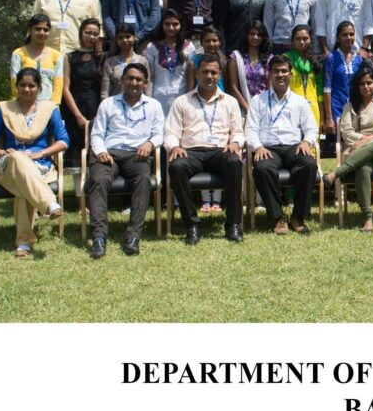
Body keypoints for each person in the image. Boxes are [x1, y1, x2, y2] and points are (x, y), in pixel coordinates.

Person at [0, 67, 70, 257]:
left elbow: (64, 141)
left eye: (32, 85)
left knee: (23, 186)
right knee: (17, 157)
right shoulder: (4, 109)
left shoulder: (48, 109)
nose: (27, 89)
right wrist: (2, 152)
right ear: (17, 86)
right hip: (8, 164)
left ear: (39, 87)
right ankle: (49, 203)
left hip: (40, 165)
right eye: (22, 85)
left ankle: (24, 244)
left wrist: (41, 153)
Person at [164, 54, 246, 245]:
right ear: (197, 74)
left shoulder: (230, 102)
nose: (209, 76)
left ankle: (233, 224)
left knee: (234, 162)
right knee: (176, 167)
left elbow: (238, 132)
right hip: (190, 151)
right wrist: (174, 146)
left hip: (220, 151)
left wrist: (235, 143)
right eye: (205, 72)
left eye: (213, 72)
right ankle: (192, 224)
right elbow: (170, 132)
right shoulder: (182, 101)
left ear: (220, 75)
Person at [85, 63, 164, 257]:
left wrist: (150, 144)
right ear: (122, 80)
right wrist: (101, 151)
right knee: (98, 180)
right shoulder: (108, 104)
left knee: (143, 180)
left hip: (137, 154)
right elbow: (97, 134)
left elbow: (159, 134)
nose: (134, 83)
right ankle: (99, 237)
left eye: (138, 79)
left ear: (145, 84)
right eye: (130, 78)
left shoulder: (153, 105)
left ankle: (133, 236)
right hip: (109, 153)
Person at [247, 55, 319, 235]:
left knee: (309, 165)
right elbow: (251, 129)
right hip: (268, 148)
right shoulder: (258, 100)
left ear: (290, 74)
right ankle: (277, 217)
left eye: (284, 71)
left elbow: (311, 128)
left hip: (294, 147)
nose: (280, 75)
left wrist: (306, 141)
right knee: (262, 169)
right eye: (276, 71)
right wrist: (258, 147)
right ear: (270, 74)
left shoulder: (299, 101)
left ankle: (298, 217)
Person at [324, 68, 373, 232]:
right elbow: (346, 132)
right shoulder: (349, 106)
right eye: (362, 84)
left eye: (369, 83)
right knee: (363, 168)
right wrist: (368, 139)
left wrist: (368, 139)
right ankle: (368, 218)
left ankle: (337, 173)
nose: (366, 87)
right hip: (357, 152)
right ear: (357, 87)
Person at [184, 27, 227, 215]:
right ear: (201, 42)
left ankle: (217, 200)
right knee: (201, 145)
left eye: (215, 40)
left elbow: (228, 87)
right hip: (199, 107)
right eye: (208, 40)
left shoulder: (224, 61)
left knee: (219, 148)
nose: (211, 44)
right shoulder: (193, 62)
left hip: (220, 106)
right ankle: (205, 200)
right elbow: (189, 88)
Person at [61, 19, 104, 170]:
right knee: (76, 150)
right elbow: (65, 88)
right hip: (75, 106)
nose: (91, 37)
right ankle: (79, 186)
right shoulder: (70, 57)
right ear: (81, 33)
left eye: (95, 34)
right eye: (88, 33)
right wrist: (78, 115)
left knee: (96, 146)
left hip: (97, 106)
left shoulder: (102, 57)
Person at [145, 10, 195, 120]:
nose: (171, 28)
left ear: (181, 25)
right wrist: (148, 99)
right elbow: (149, 77)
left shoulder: (189, 47)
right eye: (167, 24)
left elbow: (190, 76)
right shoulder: (152, 47)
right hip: (158, 97)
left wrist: (189, 98)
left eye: (175, 24)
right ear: (162, 25)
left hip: (181, 96)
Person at [322, 21, 364, 146]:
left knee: (357, 143)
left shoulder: (359, 59)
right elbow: (327, 89)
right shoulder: (331, 58)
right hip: (337, 108)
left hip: (356, 107)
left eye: (351, 34)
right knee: (340, 144)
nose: (349, 37)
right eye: (344, 35)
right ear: (338, 37)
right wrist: (329, 118)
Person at [11, 14, 64, 102]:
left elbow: (58, 82)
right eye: (37, 29)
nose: (42, 33)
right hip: (23, 104)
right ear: (30, 30)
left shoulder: (56, 55)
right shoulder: (18, 53)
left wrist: (54, 104)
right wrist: (19, 103)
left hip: (48, 104)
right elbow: (14, 80)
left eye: (45, 30)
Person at [227, 20, 272, 114]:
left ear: (263, 37)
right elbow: (233, 87)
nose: (255, 37)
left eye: (259, 35)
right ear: (246, 36)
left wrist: (262, 109)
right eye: (252, 34)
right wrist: (248, 109)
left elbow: (270, 88)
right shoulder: (236, 57)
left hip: (264, 107)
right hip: (242, 108)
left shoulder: (269, 59)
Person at [284, 25, 323, 126]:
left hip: (313, 109)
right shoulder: (285, 59)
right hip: (291, 109)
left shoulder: (316, 61)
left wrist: (323, 118)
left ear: (311, 39)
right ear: (292, 41)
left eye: (305, 38)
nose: (301, 42)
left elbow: (320, 92)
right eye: (298, 39)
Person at [101, 22, 152, 100]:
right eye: (120, 38)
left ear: (134, 38)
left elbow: (147, 88)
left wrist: (148, 104)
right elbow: (105, 91)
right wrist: (105, 105)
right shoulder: (109, 63)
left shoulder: (143, 61)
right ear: (116, 40)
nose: (124, 40)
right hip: (116, 105)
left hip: (138, 105)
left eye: (128, 36)